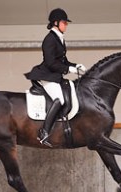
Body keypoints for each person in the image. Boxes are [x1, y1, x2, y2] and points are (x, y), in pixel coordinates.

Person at [25, 8, 86, 147]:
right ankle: (44, 132)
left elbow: (63, 61)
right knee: (59, 99)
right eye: (64, 22)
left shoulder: (59, 38)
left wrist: (76, 66)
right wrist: (67, 69)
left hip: (55, 75)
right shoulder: (49, 39)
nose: (66, 25)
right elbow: (51, 63)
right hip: (47, 75)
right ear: (56, 23)